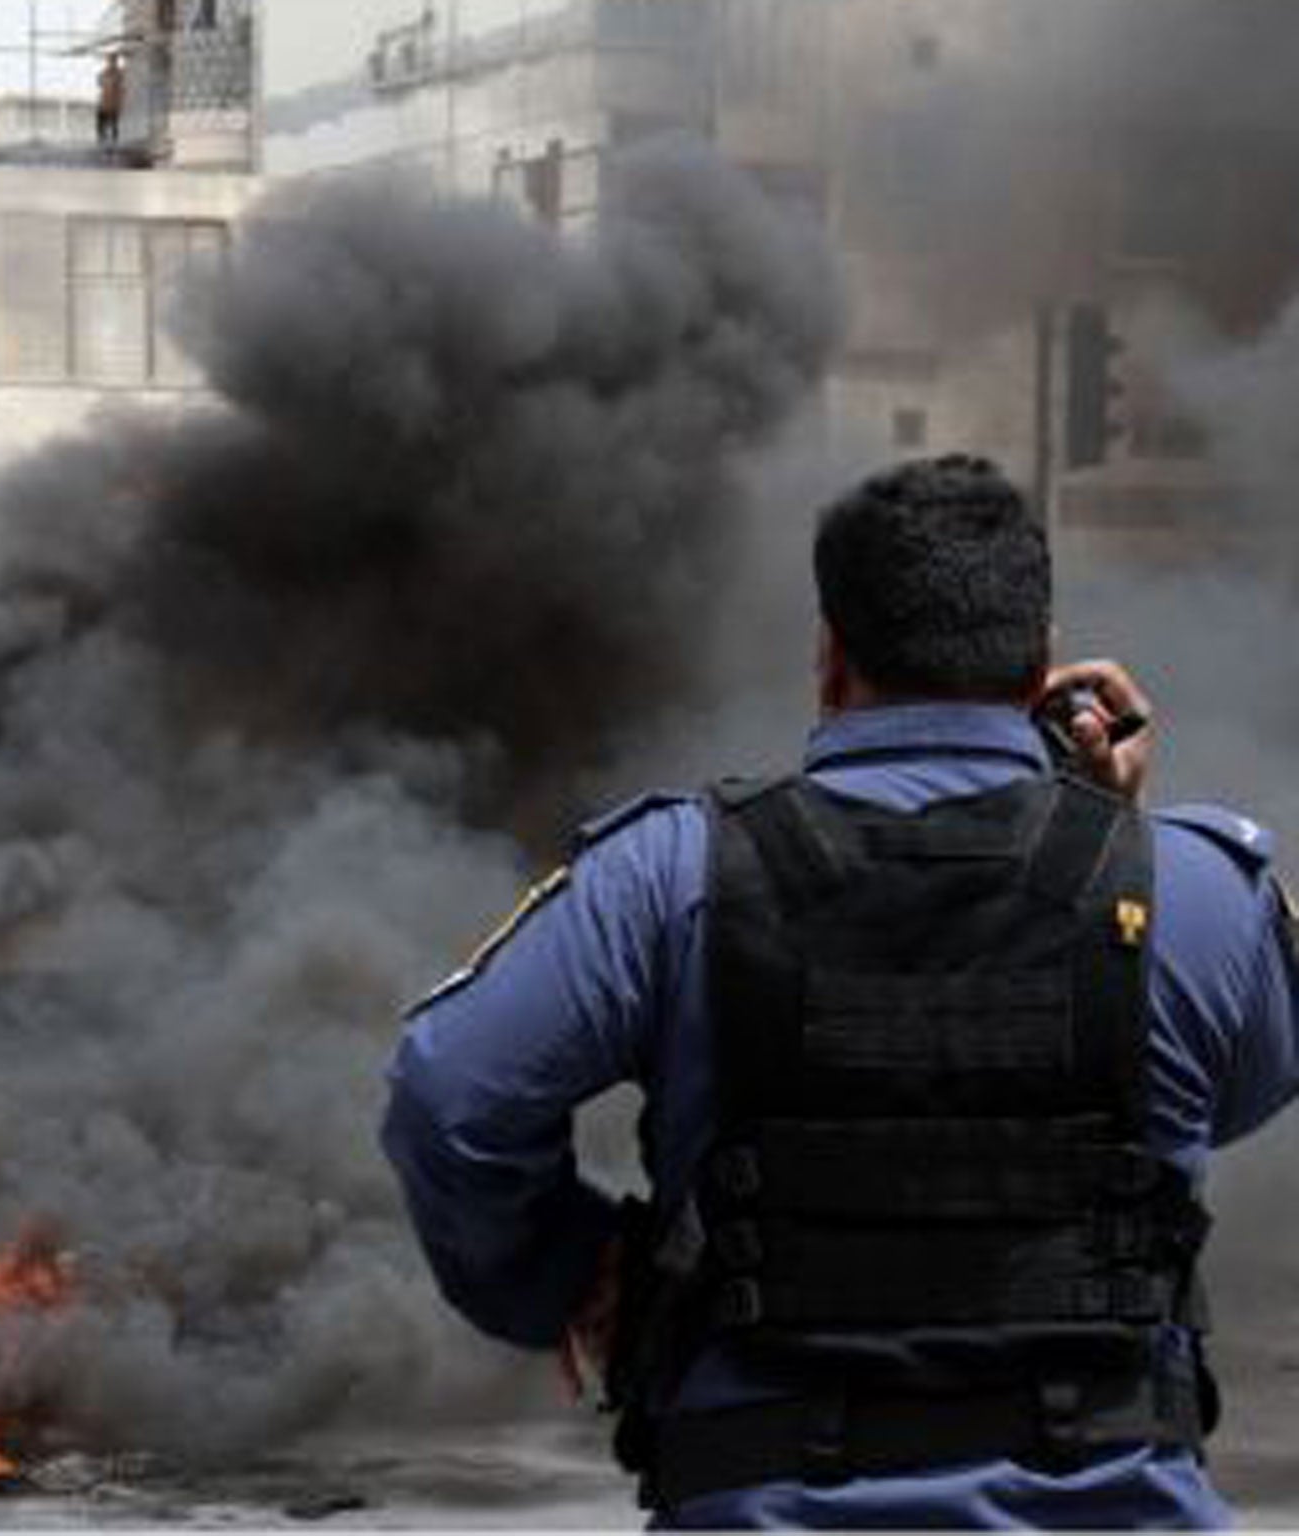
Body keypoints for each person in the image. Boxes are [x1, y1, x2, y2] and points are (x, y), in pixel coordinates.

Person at [381, 454, 1299, 1528]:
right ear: (1042, 666)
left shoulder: (667, 878)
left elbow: (447, 1094)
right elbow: (1219, 1090)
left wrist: (569, 1270)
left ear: (827, 662)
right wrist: (1103, 836)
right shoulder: (1194, 893)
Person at [96, 52, 126, 146]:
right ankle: (102, 141)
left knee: (113, 125)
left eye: (112, 60)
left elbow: (121, 88)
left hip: (113, 104)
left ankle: (113, 143)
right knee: (101, 125)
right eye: (109, 60)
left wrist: (120, 103)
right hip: (105, 102)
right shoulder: (105, 72)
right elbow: (100, 83)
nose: (110, 62)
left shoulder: (118, 74)